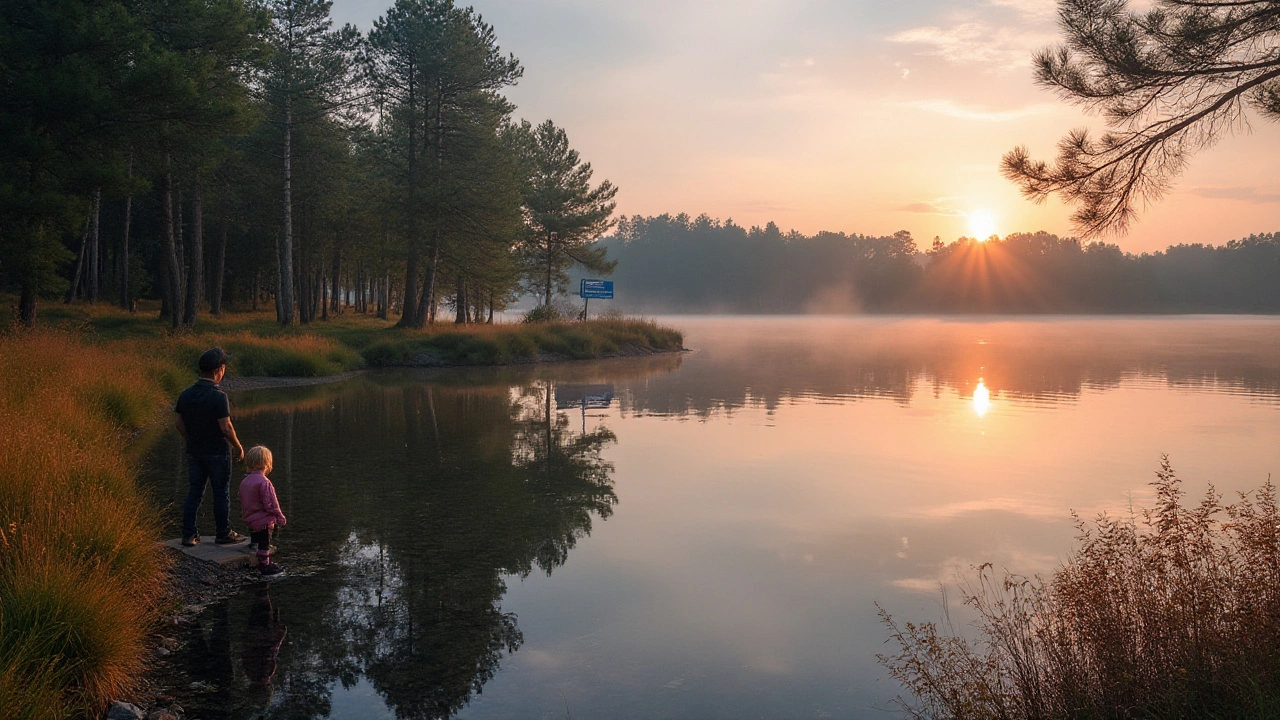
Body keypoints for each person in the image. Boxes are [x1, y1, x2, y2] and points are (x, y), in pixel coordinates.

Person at [175, 347, 246, 547]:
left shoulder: (186, 393)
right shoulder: (219, 396)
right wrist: (238, 446)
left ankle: (189, 535)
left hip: (195, 451)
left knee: (195, 492)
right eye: (224, 367)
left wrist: (189, 439)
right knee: (221, 492)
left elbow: (178, 422)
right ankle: (223, 533)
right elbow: (225, 426)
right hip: (218, 452)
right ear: (219, 370)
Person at [239, 445, 287, 577]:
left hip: (249, 518)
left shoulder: (245, 481)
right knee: (265, 543)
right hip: (263, 521)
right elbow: (270, 504)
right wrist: (280, 516)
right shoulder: (264, 482)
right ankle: (264, 566)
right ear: (266, 463)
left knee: (257, 538)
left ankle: (254, 546)